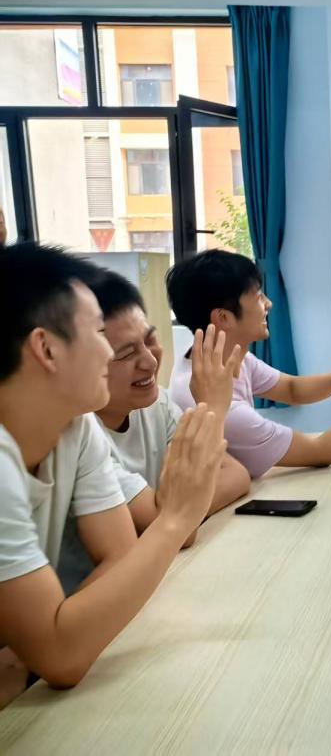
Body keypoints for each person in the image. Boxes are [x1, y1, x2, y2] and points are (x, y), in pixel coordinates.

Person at [0, 243, 224, 696]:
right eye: (98, 333)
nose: (109, 353)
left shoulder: (76, 427)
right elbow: (63, 659)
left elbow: (123, 557)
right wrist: (176, 519)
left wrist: (49, 639)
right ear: (46, 349)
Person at [166, 249, 331, 478]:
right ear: (223, 318)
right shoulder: (225, 411)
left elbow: (290, 389)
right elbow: (321, 451)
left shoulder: (222, 357)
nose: (268, 304)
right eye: (258, 297)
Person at [86, 268, 251, 533]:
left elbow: (235, 474)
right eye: (127, 353)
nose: (150, 362)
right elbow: (171, 526)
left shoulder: (157, 404)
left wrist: (179, 510)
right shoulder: (82, 437)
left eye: (150, 340)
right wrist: (212, 409)